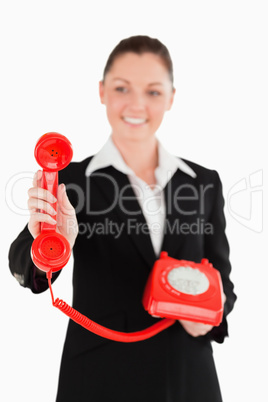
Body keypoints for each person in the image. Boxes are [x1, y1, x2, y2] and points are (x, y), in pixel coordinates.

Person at [9, 35, 237, 402]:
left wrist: (211, 316)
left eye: (153, 91)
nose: (136, 104)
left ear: (171, 97)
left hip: (188, 379)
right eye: (122, 87)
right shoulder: (71, 180)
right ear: (101, 91)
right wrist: (52, 244)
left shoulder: (204, 183)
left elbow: (222, 282)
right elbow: (24, 264)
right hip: (100, 379)